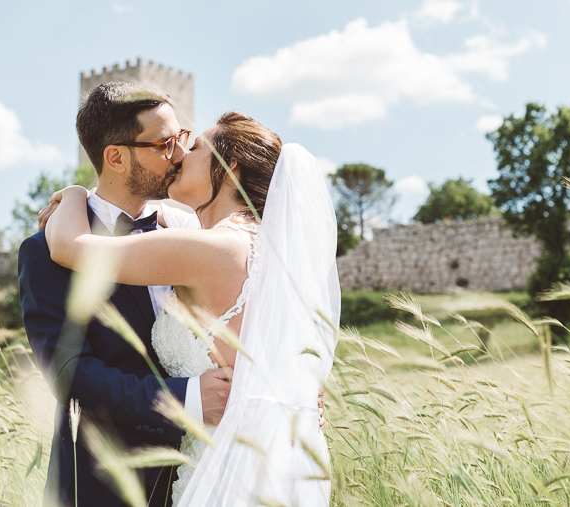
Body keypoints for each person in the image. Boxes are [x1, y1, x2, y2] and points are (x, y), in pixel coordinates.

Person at [44, 100, 340, 504]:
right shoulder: (266, 246)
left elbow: (68, 246)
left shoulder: (210, 248)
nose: (180, 154)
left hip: (227, 469)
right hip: (266, 460)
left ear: (230, 166)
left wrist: (76, 194)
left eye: (196, 146)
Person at [18, 81, 233, 507]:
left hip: (211, 473)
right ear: (115, 157)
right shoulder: (47, 252)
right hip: (105, 486)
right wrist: (187, 399)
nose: (178, 156)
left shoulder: (194, 234)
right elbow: (70, 375)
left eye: (182, 140)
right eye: (164, 144)